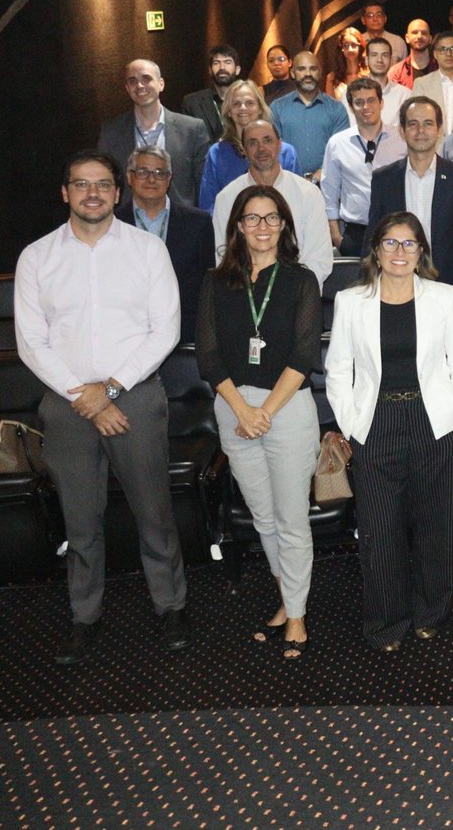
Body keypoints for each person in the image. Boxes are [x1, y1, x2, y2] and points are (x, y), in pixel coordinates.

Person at [16, 150, 188, 664]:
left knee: (154, 512)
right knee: (80, 520)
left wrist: (109, 390)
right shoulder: (37, 258)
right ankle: (84, 617)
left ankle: (171, 607)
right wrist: (85, 396)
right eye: (81, 184)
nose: (92, 193)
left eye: (102, 185)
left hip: (134, 396)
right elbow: (31, 342)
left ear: (118, 192)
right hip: (66, 401)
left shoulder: (147, 251)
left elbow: (166, 330)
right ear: (65, 192)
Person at [326, 212, 453, 651]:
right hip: (374, 424)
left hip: (433, 422)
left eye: (409, 243)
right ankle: (386, 621)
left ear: (421, 251)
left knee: (434, 524)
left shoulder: (443, 297)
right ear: (375, 250)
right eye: (390, 243)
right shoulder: (351, 301)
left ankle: (430, 612)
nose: (399, 252)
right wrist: (353, 425)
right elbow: (338, 369)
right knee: (380, 528)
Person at [197, 184, 322, 659]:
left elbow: (304, 355)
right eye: (252, 218)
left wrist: (264, 412)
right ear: (238, 226)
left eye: (272, 218)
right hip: (234, 409)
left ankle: (297, 615)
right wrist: (242, 410)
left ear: (284, 224)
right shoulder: (216, 282)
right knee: (264, 517)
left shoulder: (301, 280)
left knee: (291, 518)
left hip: (286, 408)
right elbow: (208, 356)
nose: (262, 227)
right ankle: (288, 597)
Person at [369, 97, 453, 287]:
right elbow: (373, 238)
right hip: (395, 284)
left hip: (448, 285)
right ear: (402, 131)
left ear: (439, 130)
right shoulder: (383, 179)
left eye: (428, 124)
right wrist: (369, 284)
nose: (420, 131)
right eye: (413, 124)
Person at [212, 119, 334, 287]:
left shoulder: (309, 194)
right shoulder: (226, 198)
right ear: (243, 150)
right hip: (243, 292)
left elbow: (319, 260)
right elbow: (224, 257)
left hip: (298, 294)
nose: (261, 148)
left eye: (267, 140)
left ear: (279, 145)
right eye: (253, 143)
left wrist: (289, 294)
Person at [116, 147, 216, 341]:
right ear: (130, 177)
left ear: (169, 178)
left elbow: (207, 287)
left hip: (183, 335)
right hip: (126, 334)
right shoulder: (113, 223)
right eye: (143, 172)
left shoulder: (198, 223)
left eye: (159, 173)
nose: (151, 179)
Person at [97, 59, 210, 207]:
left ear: (161, 84)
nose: (139, 85)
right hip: (127, 219)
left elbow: (204, 186)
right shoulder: (111, 131)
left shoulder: (192, 130)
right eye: (132, 81)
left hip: (180, 218)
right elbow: (104, 182)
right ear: (127, 88)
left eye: (146, 79)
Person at [323, 77, 408, 256]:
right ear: (351, 106)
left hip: (396, 231)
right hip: (355, 234)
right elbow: (329, 192)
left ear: (381, 103)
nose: (366, 107)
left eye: (371, 100)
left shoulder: (401, 139)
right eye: (359, 102)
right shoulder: (337, 143)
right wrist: (336, 237)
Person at [198, 80, 300, 212]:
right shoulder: (216, 153)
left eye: (249, 103)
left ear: (260, 108)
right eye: (236, 104)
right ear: (228, 111)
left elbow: (297, 200)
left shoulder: (285, 152)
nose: (243, 108)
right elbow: (208, 205)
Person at [269, 51, 350, 180]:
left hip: (327, 182)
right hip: (286, 182)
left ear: (320, 72)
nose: (308, 74)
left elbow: (341, 149)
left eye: (313, 69)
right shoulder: (277, 108)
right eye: (301, 69)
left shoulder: (336, 109)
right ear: (292, 73)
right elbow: (271, 149)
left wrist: (322, 173)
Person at [181, 45, 242, 140]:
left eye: (227, 62)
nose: (222, 67)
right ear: (210, 70)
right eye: (216, 63)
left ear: (237, 70)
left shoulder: (248, 100)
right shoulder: (192, 102)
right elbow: (187, 140)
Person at [355, 38, 411, 129]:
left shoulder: (405, 95)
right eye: (374, 55)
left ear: (390, 60)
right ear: (366, 60)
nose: (379, 60)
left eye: (385, 55)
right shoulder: (353, 93)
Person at [386, 20, 436, 89]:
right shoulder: (396, 73)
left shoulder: (441, 69)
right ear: (407, 38)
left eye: (424, 33)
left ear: (430, 39)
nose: (419, 36)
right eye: (414, 33)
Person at [323, 28, 367, 99]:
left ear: (360, 47)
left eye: (353, 45)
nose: (350, 49)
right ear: (341, 48)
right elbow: (330, 105)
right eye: (346, 45)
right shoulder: (332, 78)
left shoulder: (369, 75)